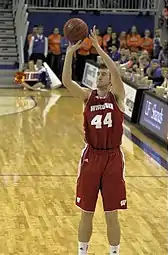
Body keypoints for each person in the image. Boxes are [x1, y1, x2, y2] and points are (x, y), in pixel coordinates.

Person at [62, 26, 127, 255]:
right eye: (98, 74)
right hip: (91, 156)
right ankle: (82, 252)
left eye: (103, 74)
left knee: (112, 213)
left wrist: (98, 48)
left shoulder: (117, 97)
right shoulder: (87, 97)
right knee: (86, 211)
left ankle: (114, 252)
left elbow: (116, 73)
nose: (99, 76)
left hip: (112, 157)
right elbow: (67, 81)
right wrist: (70, 52)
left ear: (110, 81)